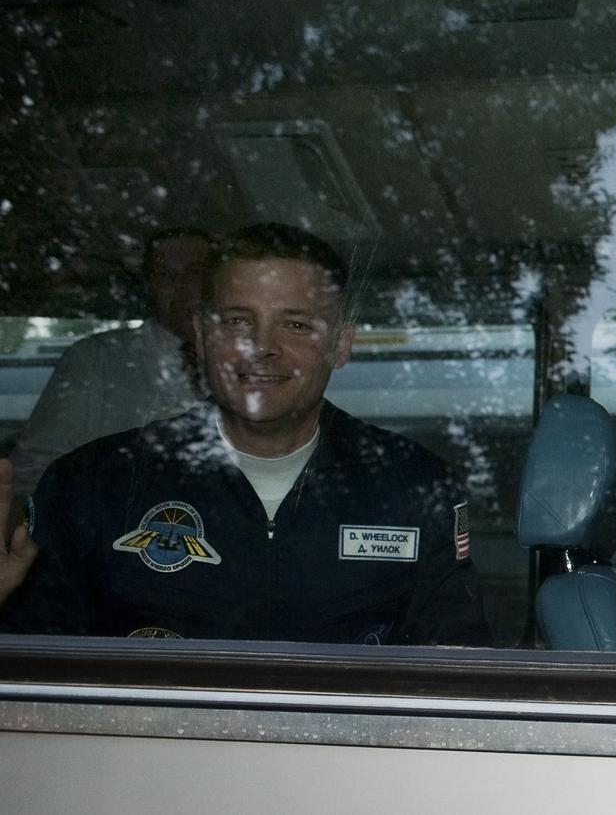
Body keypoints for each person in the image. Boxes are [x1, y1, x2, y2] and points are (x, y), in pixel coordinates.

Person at [0, 223, 489, 646]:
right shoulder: (93, 483)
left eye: (296, 325)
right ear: (200, 336)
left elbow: (459, 676)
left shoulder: (415, 487)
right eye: (237, 321)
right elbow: (29, 695)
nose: (262, 348)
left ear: (340, 346)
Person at [7, 228, 211, 501]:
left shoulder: (255, 360)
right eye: (166, 276)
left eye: (195, 273)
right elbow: (33, 470)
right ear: (148, 286)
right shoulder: (96, 360)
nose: (184, 287)